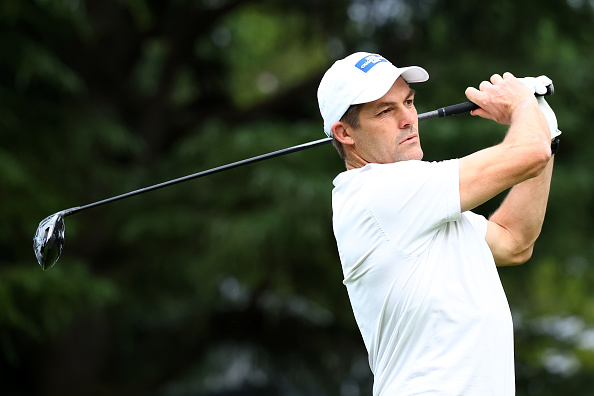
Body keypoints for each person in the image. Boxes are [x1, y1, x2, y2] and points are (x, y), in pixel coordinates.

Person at [317, 52, 561, 395]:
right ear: (344, 133)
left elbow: (514, 240)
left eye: (409, 102)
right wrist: (522, 106)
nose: (408, 119)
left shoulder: (419, 207)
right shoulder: (377, 191)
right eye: (386, 111)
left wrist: (543, 128)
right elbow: (529, 152)